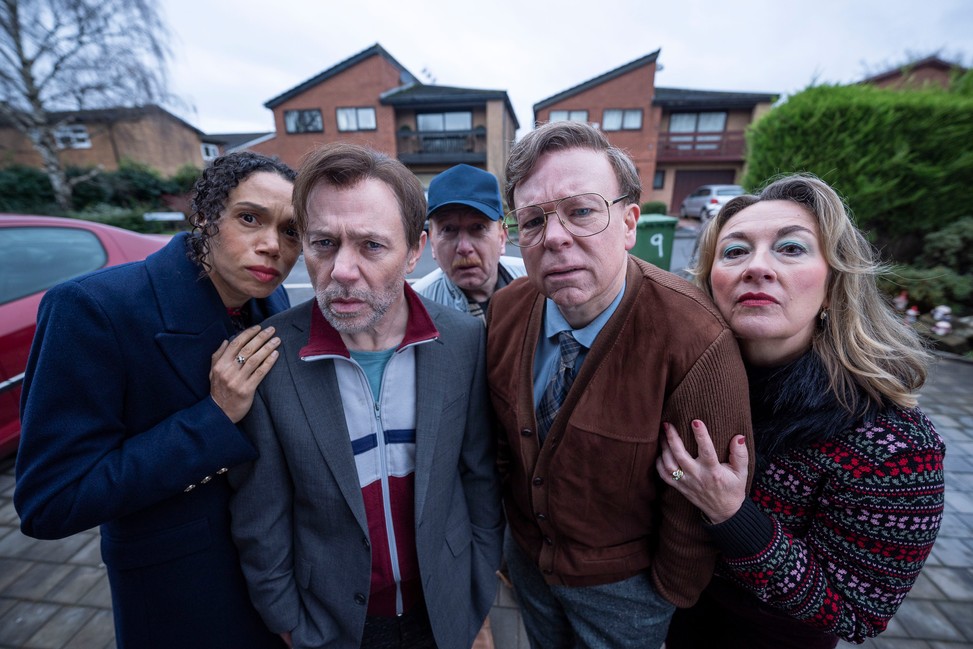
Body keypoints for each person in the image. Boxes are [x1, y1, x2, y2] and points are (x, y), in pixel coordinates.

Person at [14, 151, 301, 648]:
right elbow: (50, 501)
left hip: (271, 581)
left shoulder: (269, 300)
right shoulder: (93, 309)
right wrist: (212, 419)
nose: (272, 245)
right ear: (205, 216)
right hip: (180, 597)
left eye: (292, 230)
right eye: (249, 218)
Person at [486, 120, 754, 648]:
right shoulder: (506, 310)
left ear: (629, 223)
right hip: (530, 565)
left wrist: (664, 593)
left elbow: (698, 497)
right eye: (533, 220)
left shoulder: (695, 338)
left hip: (625, 592)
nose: (554, 236)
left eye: (582, 211)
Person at [229, 143, 503, 649]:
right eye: (324, 243)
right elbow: (261, 515)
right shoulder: (271, 357)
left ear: (415, 250)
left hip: (444, 607)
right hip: (332, 624)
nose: (341, 270)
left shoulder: (463, 340)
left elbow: (478, 476)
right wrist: (286, 619)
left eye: (371, 245)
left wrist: (478, 582)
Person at [660, 174, 946, 648]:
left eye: (791, 248)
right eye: (735, 251)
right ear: (709, 283)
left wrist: (732, 513)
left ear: (834, 286)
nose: (757, 267)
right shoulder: (680, 385)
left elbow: (857, 613)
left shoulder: (893, 446)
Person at [412, 163, 525, 322]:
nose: (464, 248)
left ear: (502, 237)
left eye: (478, 227)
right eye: (448, 229)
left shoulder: (538, 287)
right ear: (432, 241)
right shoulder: (416, 309)